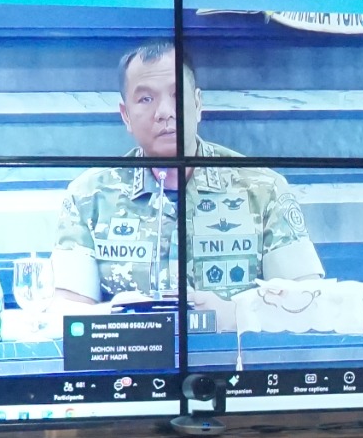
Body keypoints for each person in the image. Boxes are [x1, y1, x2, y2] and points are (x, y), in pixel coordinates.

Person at [50, 41, 325, 323]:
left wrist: (235, 315)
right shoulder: (88, 197)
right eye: (146, 99)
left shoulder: (264, 189)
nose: (164, 112)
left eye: (177, 95)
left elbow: (309, 304)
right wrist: (120, 317)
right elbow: (66, 313)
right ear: (126, 116)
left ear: (198, 104)